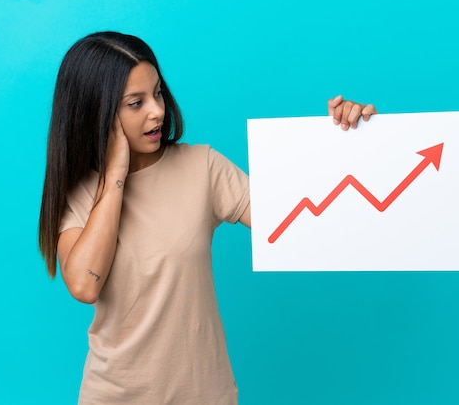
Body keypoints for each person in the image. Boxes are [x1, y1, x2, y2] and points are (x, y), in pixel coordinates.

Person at [38, 31, 376, 405]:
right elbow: (85, 286)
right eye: (135, 103)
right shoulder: (81, 194)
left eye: (158, 93)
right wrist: (116, 173)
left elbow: (304, 221)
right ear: (96, 113)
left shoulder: (203, 167)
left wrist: (348, 144)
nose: (157, 110)